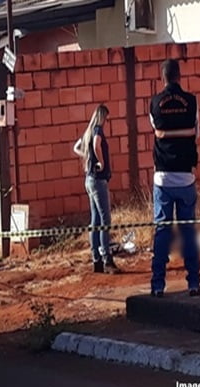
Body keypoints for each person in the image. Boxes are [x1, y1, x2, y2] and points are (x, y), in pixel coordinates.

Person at [148, 59, 200, 297]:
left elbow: (157, 131)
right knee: (188, 231)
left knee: (162, 231)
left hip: (163, 177)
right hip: (185, 176)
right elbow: (195, 134)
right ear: (179, 76)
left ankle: (158, 285)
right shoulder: (192, 102)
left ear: (163, 78)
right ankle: (194, 283)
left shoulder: (154, 103)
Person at [73, 104, 120, 274]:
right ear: (102, 117)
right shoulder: (98, 130)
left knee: (95, 220)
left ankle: (96, 259)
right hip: (98, 180)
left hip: (89, 179)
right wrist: (100, 161)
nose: (106, 122)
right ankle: (107, 259)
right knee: (105, 220)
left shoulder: (88, 131)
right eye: (106, 118)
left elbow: (76, 147)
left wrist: (89, 157)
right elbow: (96, 145)